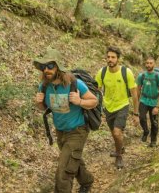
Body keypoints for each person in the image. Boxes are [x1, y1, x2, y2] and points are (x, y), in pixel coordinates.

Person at [33, 48, 98, 193]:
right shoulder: (44, 86)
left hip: (77, 130)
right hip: (60, 132)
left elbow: (94, 101)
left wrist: (80, 101)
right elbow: (43, 108)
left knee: (63, 171)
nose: (46, 70)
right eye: (44, 67)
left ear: (58, 67)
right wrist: (39, 103)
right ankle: (87, 181)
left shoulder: (75, 84)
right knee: (72, 160)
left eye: (50, 66)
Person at [95, 46, 138, 169]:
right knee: (114, 134)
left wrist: (136, 114)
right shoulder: (102, 72)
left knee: (117, 132)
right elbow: (96, 91)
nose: (110, 59)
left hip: (122, 106)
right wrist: (96, 108)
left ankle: (119, 156)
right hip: (108, 107)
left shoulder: (126, 72)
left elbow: (134, 94)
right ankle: (120, 148)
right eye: (108, 57)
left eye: (113, 57)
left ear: (118, 59)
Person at [136, 57, 159, 147]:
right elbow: (138, 89)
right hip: (143, 100)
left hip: (154, 102)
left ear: (154, 64)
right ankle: (145, 131)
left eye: (150, 63)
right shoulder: (142, 76)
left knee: (154, 123)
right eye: (147, 63)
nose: (148, 65)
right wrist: (137, 102)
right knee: (141, 117)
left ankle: (153, 141)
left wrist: (158, 106)